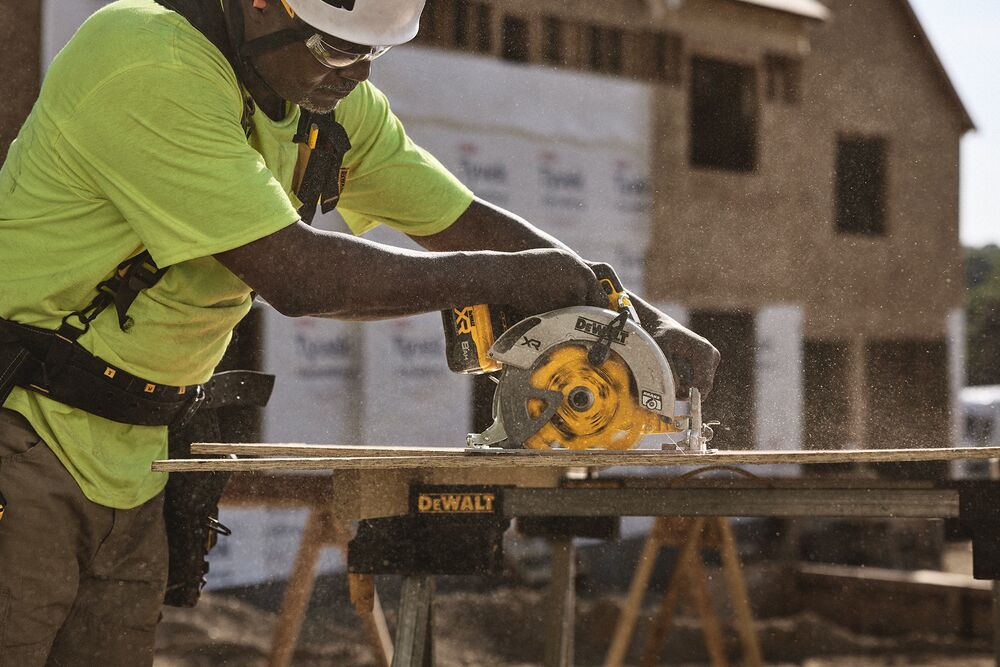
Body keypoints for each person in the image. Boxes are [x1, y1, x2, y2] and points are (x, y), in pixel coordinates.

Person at [0, 0, 720, 663]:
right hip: (24, 430)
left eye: (374, 53)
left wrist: (633, 315)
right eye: (337, 48)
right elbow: (299, 276)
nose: (356, 73)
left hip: (138, 460)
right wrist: (502, 281)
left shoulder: (327, 108)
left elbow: (464, 223)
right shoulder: (145, 61)